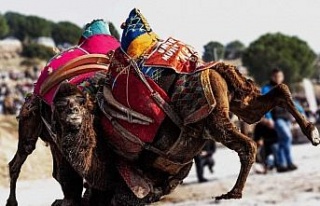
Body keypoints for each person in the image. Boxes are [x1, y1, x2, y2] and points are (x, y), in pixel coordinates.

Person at [261, 68, 298, 172]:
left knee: (284, 140)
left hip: (286, 118)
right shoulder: (266, 89)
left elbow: (292, 103)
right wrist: (269, 119)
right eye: (277, 76)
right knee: (287, 137)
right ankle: (284, 162)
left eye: (280, 76)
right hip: (277, 118)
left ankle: (284, 163)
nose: (279, 78)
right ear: (272, 77)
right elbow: (265, 105)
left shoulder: (284, 88)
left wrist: (298, 115)